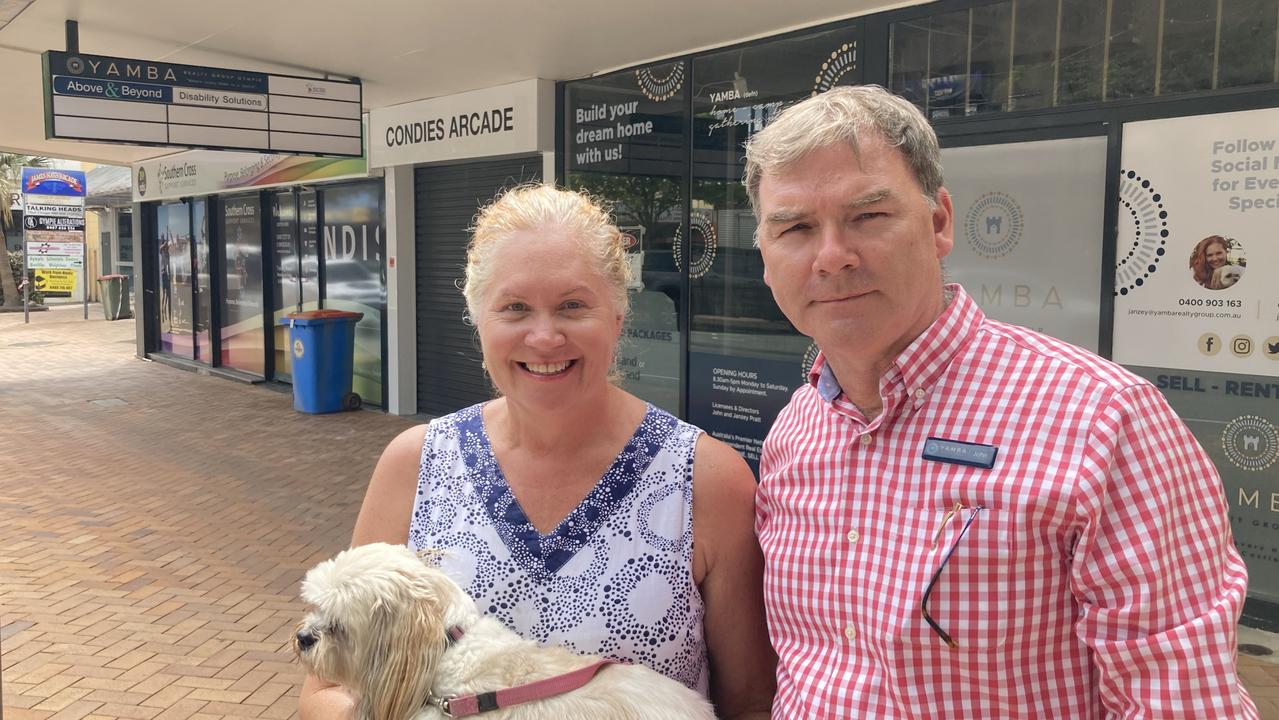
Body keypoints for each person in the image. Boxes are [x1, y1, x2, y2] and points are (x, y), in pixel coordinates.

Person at [745, 86, 1255, 718]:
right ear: (765, 259)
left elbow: (1179, 702)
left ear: (939, 223)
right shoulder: (796, 433)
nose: (832, 257)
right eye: (794, 227)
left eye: (868, 216)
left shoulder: (1104, 420)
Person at [300, 184, 775, 719]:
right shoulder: (415, 464)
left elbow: (751, 703)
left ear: (618, 317)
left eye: (573, 305)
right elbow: (324, 690)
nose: (545, 337)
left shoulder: (707, 479)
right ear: (478, 319)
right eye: (515, 308)